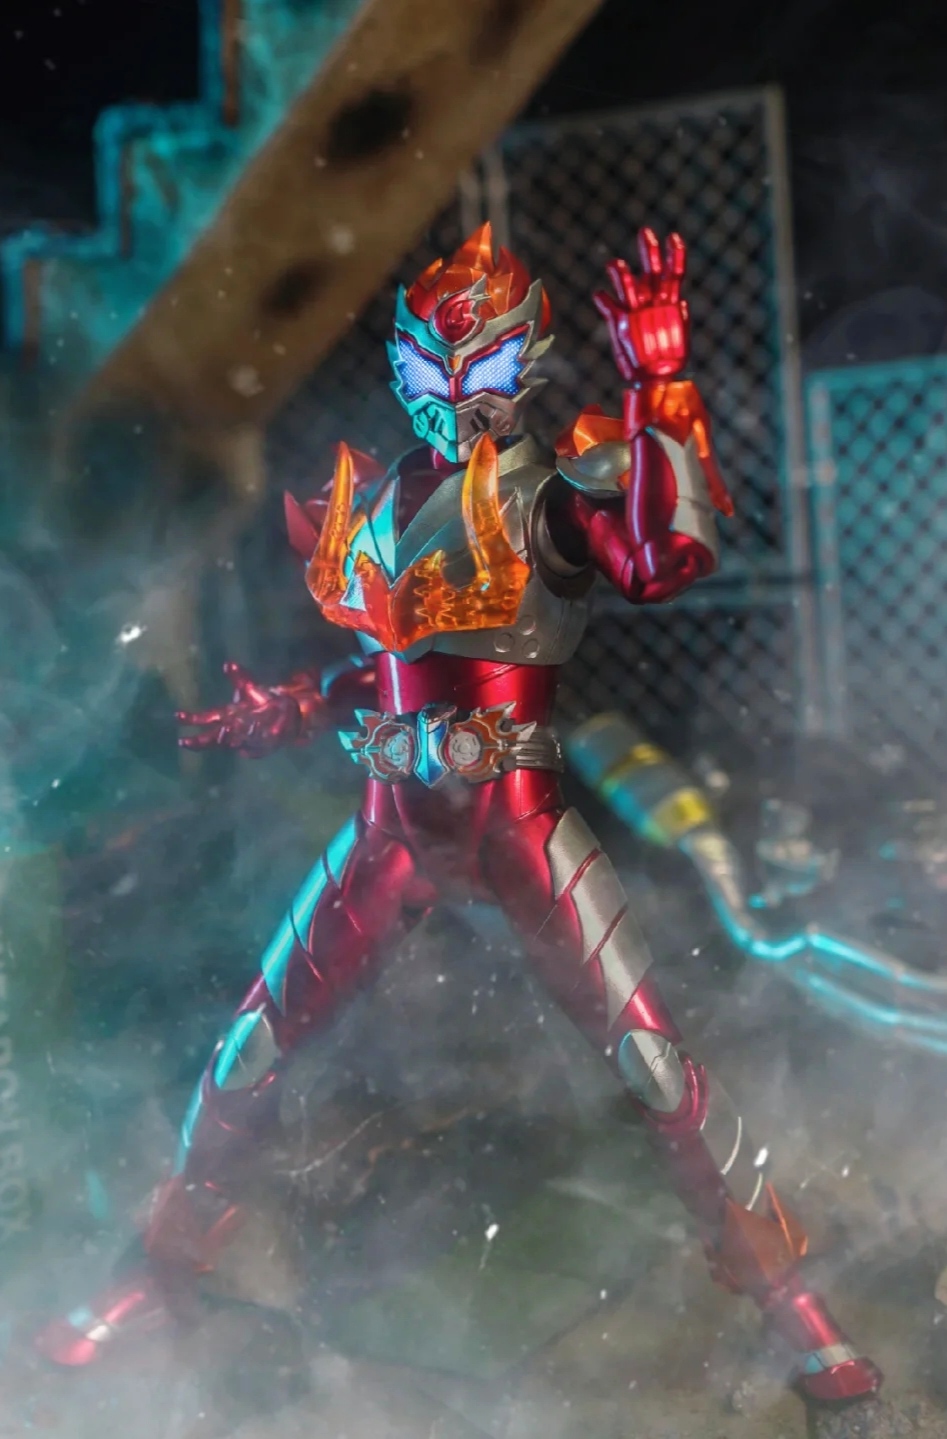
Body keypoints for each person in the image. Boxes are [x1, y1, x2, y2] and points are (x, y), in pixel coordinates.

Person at [38, 223, 881, 1404]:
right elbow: (392, 668)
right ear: (401, 369)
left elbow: (662, 557)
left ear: (520, 361)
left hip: (517, 822)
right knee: (248, 1050)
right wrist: (297, 703)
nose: (449, 393)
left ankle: (794, 1306)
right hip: (392, 830)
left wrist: (655, 383)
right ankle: (160, 1273)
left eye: (477, 365)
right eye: (427, 368)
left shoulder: (557, 492)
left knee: (652, 1065)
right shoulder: (381, 500)